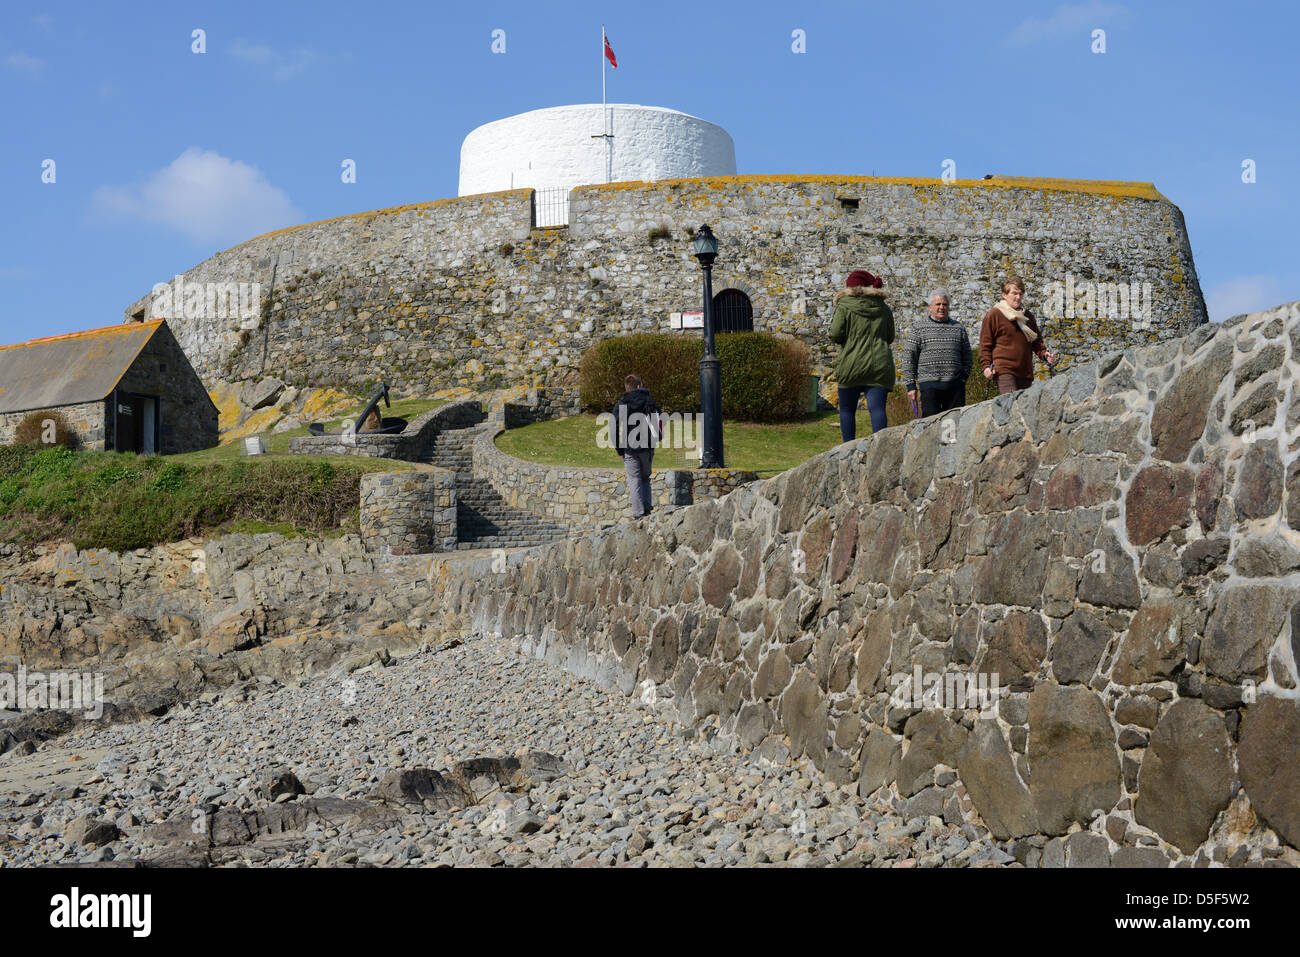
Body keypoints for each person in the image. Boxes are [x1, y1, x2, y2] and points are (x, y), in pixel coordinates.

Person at [830, 270, 895, 442]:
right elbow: (890, 337)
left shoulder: (844, 306)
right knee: (877, 409)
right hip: (879, 365)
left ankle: (847, 451)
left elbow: (835, 334)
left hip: (850, 364)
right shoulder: (884, 308)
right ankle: (880, 451)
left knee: (846, 410)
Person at [979, 276, 1056, 395]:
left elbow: (1037, 342)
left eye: (1021, 294)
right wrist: (986, 367)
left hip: (1025, 372)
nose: (1018, 297)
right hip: (1004, 370)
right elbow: (985, 345)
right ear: (1004, 295)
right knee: (1010, 405)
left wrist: (1044, 354)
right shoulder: (994, 314)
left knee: (1024, 410)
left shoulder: (1027, 316)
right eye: (1014, 293)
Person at [903, 289, 971, 417]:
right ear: (930, 307)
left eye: (945, 304)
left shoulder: (959, 328)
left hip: (955, 387)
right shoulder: (919, 328)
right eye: (938, 304)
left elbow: (967, 356)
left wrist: (963, 378)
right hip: (929, 387)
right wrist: (910, 385)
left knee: (953, 430)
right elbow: (909, 357)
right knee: (930, 428)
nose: (941, 307)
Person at [612, 374, 661, 519]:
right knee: (645, 477)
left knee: (634, 480)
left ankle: (639, 514)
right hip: (647, 447)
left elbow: (613, 425)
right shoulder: (649, 400)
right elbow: (660, 420)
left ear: (627, 387)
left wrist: (619, 450)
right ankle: (647, 510)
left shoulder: (622, 402)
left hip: (629, 448)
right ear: (639, 385)